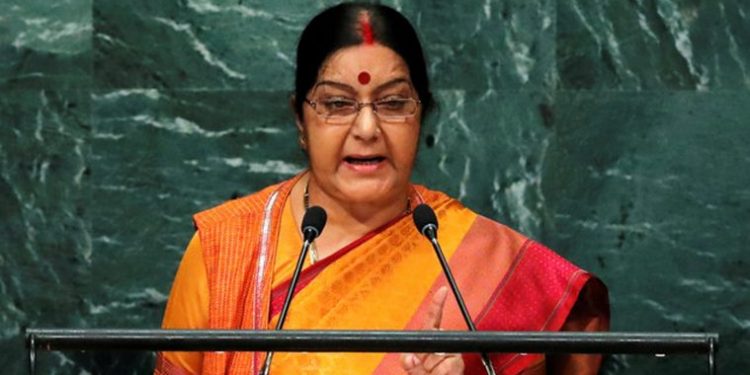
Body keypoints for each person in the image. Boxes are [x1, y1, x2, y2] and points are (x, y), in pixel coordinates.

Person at [154, 2, 609, 375]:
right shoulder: (224, 249)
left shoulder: (484, 261)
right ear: (300, 120)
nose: (367, 128)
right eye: (337, 104)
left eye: (393, 104)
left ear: (422, 115)